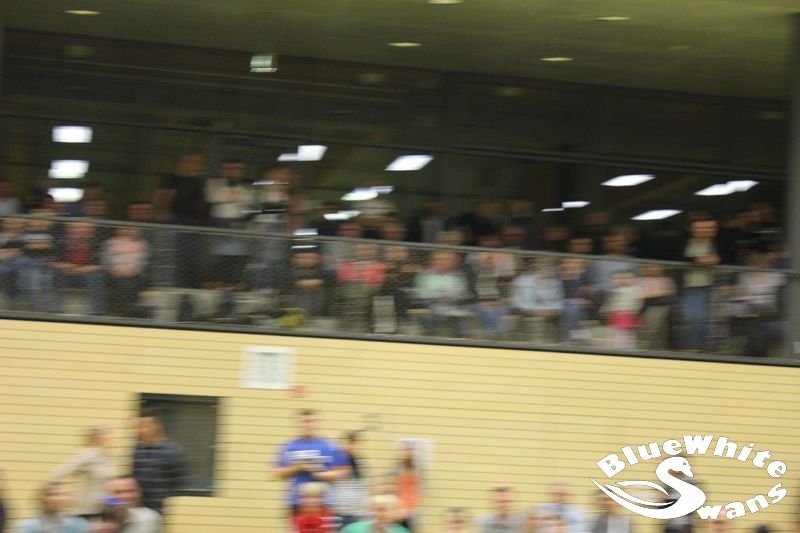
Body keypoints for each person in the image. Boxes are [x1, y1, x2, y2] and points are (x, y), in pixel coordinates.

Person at [273, 409, 350, 515]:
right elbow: (276, 473)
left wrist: (317, 473)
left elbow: (342, 472)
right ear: (298, 424)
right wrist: (296, 468)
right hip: (297, 502)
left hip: (324, 502)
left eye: (312, 421)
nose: (308, 425)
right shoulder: (288, 446)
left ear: (318, 424)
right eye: (305, 422)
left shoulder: (330, 446)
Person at [51, 426, 116, 520]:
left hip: (106, 507)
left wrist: (115, 501)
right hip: (89, 511)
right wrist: (67, 495)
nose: (111, 437)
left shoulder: (106, 456)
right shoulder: (87, 454)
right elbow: (61, 472)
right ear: (97, 437)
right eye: (107, 435)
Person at [132, 409, 187, 515]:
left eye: (144, 426)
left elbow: (180, 485)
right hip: (141, 513)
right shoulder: (136, 450)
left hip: (163, 513)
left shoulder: (173, 451)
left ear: (156, 426)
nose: (140, 430)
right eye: (138, 427)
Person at [14, 481, 88, 533]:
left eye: (62, 495)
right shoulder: (27, 526)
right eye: (52, 494)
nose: (57, 499)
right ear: (43, 498)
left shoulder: (78, 525)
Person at [331, 432, 369, 527]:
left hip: (357, 513)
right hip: (338, 511)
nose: (350, 447)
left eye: (354, 444)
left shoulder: (362, 463)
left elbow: (365, 486)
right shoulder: (335, 462)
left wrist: (364, 509)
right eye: (347, 443)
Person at [389, 442, 421, 531]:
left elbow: (417, 489)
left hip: (410, 507)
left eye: (408, 451)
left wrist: (413, 507)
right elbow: (393, 487)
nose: (405, 453)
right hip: (397, 506)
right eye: (403, 450)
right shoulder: (396, 468)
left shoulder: (415, 468)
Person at [341, 494, 411, 533]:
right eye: (374, 509)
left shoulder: (402, 531)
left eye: (383, 509)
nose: (378, 513)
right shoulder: (352, 529)